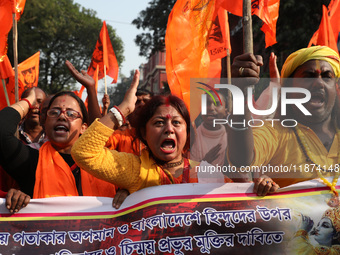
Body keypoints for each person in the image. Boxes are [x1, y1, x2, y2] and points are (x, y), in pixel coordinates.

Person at [227, 45, 340, 196]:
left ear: (336, 87)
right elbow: (241, 159)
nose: (319, 83)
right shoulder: (275, 133)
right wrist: (240, 91)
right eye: (308, 76)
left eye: (327, 77)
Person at [71, 70, 206, 195]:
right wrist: (123, 109)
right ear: (144, 133)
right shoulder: (134, 170)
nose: (169, 129)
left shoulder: (206, 173)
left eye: (176, 122)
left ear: (188, 133)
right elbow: (84, 153)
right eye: (159, 122)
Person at [0, 87, 117, 199]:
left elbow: (134, 182)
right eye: (54, 112)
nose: (61, 116)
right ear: (44, 123)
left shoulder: (106, 164)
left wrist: (126, 192)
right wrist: (29, 100)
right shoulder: (32, 162)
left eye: (71, 114)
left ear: (83, 128)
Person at [105, 88, 153, 155]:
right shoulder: (119, 136)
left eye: (146, 101)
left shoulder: (160, 136)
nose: (142, 104)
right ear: (128, 113)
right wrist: (91, 90)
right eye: (137, 102)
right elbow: (96, 139)